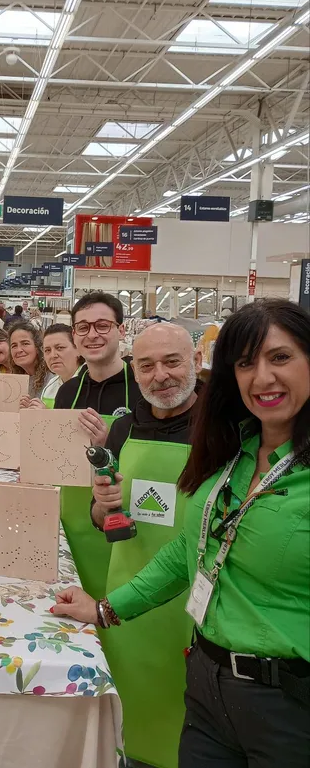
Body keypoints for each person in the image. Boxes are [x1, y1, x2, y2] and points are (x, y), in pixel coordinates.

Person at [54, 299, 310, 768]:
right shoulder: (234, 449)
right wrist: (107, 605)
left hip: (286, 695)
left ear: (196, 361)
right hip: (202, 666)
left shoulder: (237, 441)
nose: (263, 378)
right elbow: (192, 545)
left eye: (280, 357)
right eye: (246, 363)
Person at [54, 322, 202, 768]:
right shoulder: (123, 430)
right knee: (131, 714)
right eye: (147, 366)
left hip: (192, 605)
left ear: (195, 362)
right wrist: (102, 506)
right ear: (134, 372)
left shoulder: (223, 430)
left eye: (172, 362)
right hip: (125, 593)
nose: (161, 376)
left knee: (189, 719)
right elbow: (103, 520)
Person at [54, 291, 143, 602]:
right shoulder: (67, 393)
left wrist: (109, 446)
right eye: (83, 327)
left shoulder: (143, 388)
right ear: (75, 335)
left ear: (122, 330)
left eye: (103, 325)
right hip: (74, 521)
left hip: (129, 522)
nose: (92, 335)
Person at [27, 323, 83, 408]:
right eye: (47, 350)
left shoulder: (91, 383)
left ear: (78, 349)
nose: (53, 355)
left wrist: (45, 414)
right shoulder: (50, 386)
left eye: (60, 348)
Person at [7, 321, 52, 400]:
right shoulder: (16, 380)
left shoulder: (51, 379)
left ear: (37, 347)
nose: (19, 350)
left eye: (25, 343)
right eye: (14, 346)